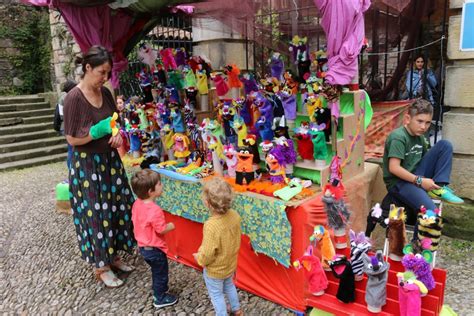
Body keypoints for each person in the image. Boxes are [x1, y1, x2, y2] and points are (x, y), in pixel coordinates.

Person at [63, 45, 136, 288]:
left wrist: (116, 134)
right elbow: (72, 139)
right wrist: (95, 132)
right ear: (87, 68)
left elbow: (115, 122)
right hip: (87, 166)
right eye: (101, 72)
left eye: (108, 73)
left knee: (115, 207)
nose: (105, 78)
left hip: (109, 161)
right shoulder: (74, 98)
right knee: (96, 215)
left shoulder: (105, 93)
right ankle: (100, 265)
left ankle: (112, 256)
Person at [382, 99, 463, 215]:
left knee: (445, 145)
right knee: (431, 213)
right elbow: (394, 168)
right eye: (419, 121)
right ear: (407, 119)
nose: (424, 127)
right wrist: (420, 181)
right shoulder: (398, 137)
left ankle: (438, 188)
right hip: (399, 183)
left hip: (416, 175)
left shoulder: (420, 136)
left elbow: (426, 159)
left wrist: (426, 180)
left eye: (427, 122)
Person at [193, 178, 243, 316]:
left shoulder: (211, 226)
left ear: (207, 203)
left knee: (216, 294)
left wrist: (200, 258)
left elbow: (208, 252)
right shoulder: (235, 215)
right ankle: (237, 309)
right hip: (230, 263)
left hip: (215, 270)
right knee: (229, 286)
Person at [130, 169, 178, 309]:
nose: (161, 185)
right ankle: (160, 298)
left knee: (156, 271)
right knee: (160, 273)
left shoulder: (137, 203)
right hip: (155, 249)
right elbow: (161, 229)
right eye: (159, 184)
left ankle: (159, 289)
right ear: (151, 191)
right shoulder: (155, 210)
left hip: (143, 246)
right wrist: (171, 225)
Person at [54, 79, 77, 169]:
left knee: (71, 148)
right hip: (68, 126)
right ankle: (71, 169)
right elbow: (62, 115)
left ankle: (72, 169)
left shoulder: (63, 97)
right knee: (71, 149)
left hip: (66, 126)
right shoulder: (66, 97)